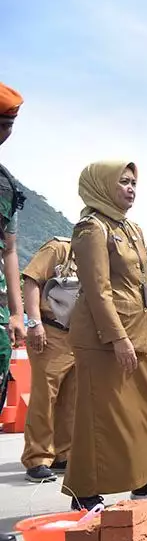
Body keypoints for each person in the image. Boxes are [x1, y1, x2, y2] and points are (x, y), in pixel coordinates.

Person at [62, 161, 147, 510]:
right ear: (101, 186)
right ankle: (82, 492)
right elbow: (97, 289)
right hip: (103, 337)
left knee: (146, 409)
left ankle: (143, 480)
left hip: (138, 331)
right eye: (123, 182)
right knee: (97, 413)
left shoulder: (131, 228)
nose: (130, 188)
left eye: (133, 182)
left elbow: (143, 283)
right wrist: (118, 338)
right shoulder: (91, 228)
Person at [20, 237, 77, 483]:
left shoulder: (100, 256)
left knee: (72, 399)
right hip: (51, 331)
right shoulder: (60, 248)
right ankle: (37, 458)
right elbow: (32, 279)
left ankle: (62, 454)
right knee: (46, 397)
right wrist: (34, 323)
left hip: (79, 336)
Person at [0, 82, 26, 408]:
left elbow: (9, 250)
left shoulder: (6, 184)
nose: (4, 133)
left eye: (8, 126)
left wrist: (17, 314)